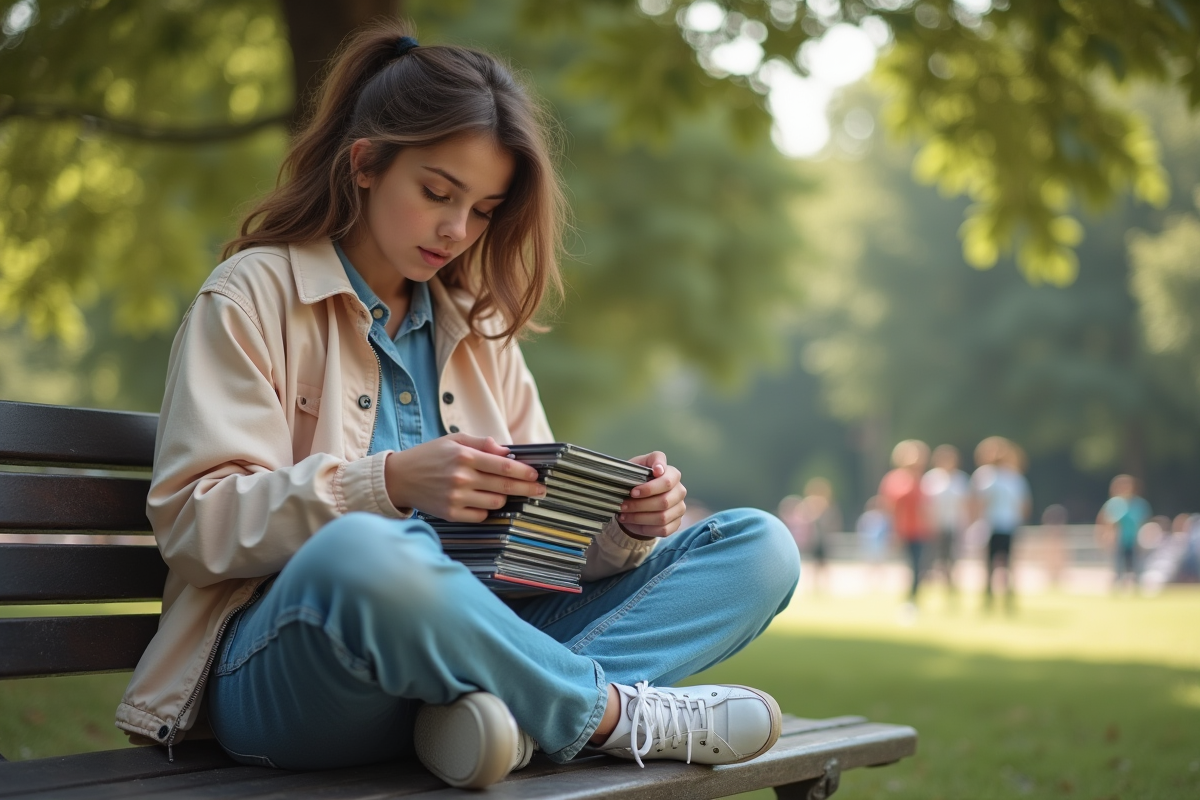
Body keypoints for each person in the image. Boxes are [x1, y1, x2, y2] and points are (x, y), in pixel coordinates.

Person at [114, 25, 800, 790]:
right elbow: (195, 525)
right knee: (370, 551)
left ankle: (505, 718)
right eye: (438, 193)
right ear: (366, 163)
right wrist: (388, 484)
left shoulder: (478, 329)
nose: (456, 230)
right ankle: (603, 717)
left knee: (758, 546)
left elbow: (537, 549)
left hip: (467, 664)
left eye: (482, 209)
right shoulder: (251, 295)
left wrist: (616, 527)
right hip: (294, 674)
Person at [971, 437, 1031, 611]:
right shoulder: (987, 475)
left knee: (1006, 565)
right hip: (992, 526)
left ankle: (1007, 600)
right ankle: (990, 599)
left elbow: (1023, 505)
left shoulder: (1012, 477)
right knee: (992, 566)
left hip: (1006, 525)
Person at [879, 440, 931, 610]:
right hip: (901, 531)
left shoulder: (922, 480)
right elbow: (889, 507)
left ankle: (913, 598)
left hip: (919, 531)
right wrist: (892, 531)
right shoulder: (895, 479)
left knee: (918, 567)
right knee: (903, 567)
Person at [920, 444, 969, 599]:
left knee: (951, 558)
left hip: (953, 525)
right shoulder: (930, 478)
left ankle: (950, 586)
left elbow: (966, 504)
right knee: (931, 558)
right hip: (934, 525)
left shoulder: (960, 479)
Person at [1095, 474, 1151, 592]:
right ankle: (1118, 587)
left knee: (1135, 566)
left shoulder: (1139, 504)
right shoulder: (1114, 503)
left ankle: (1137, 587)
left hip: (1134, 541)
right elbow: (1105, 521)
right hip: (1119, 541)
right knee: (1118, 567)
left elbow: (1144, 522)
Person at [799, 477, 843, 593]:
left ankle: (824, 587)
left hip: (823, 539)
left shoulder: (827, 505)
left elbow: (833, 522)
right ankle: (814, 587)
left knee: (823, 564)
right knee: (813, 565)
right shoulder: (809, 505)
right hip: (814, 539)